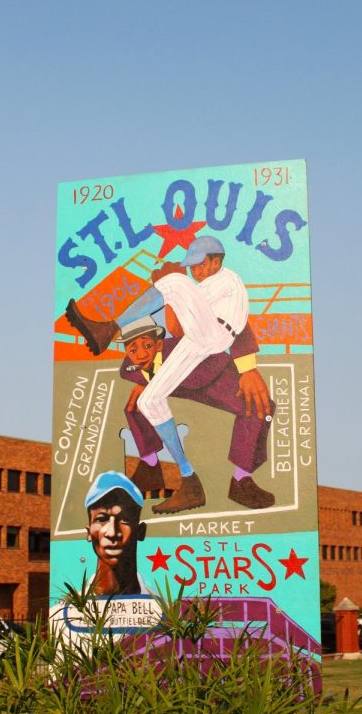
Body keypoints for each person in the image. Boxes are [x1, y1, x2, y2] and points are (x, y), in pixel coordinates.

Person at [65, 236, 273, 514]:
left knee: (175, 283)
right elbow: (176, 324)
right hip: (195, 342)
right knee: (148, 401)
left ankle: (108, 329)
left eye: (199, 265)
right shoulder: (202, 289)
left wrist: (247, 366)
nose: (196, 271)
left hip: (215, 334)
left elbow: (183, 312)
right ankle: (189, 480)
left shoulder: (227, 281)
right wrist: (146, 377)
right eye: (193, 267)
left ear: (216, 261)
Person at [115, 317, 274, 510]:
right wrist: (145, 383)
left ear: (158, 345)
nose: (140, 354)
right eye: (132, 350)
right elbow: (141, 372)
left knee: (259, 406)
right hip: (179, 385)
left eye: (147, 345)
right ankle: (150, 469)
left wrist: (246, 371)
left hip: (210, 377)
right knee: (135, 405)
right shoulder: (129, 368)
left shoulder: (181, 349)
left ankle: (241, 481)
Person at [83, 471, 147, 595]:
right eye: (101, 519)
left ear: (140, 531)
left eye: (124, 520)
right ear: (89, 532)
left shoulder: (160, 609)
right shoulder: (69, 610)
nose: (112, 533)